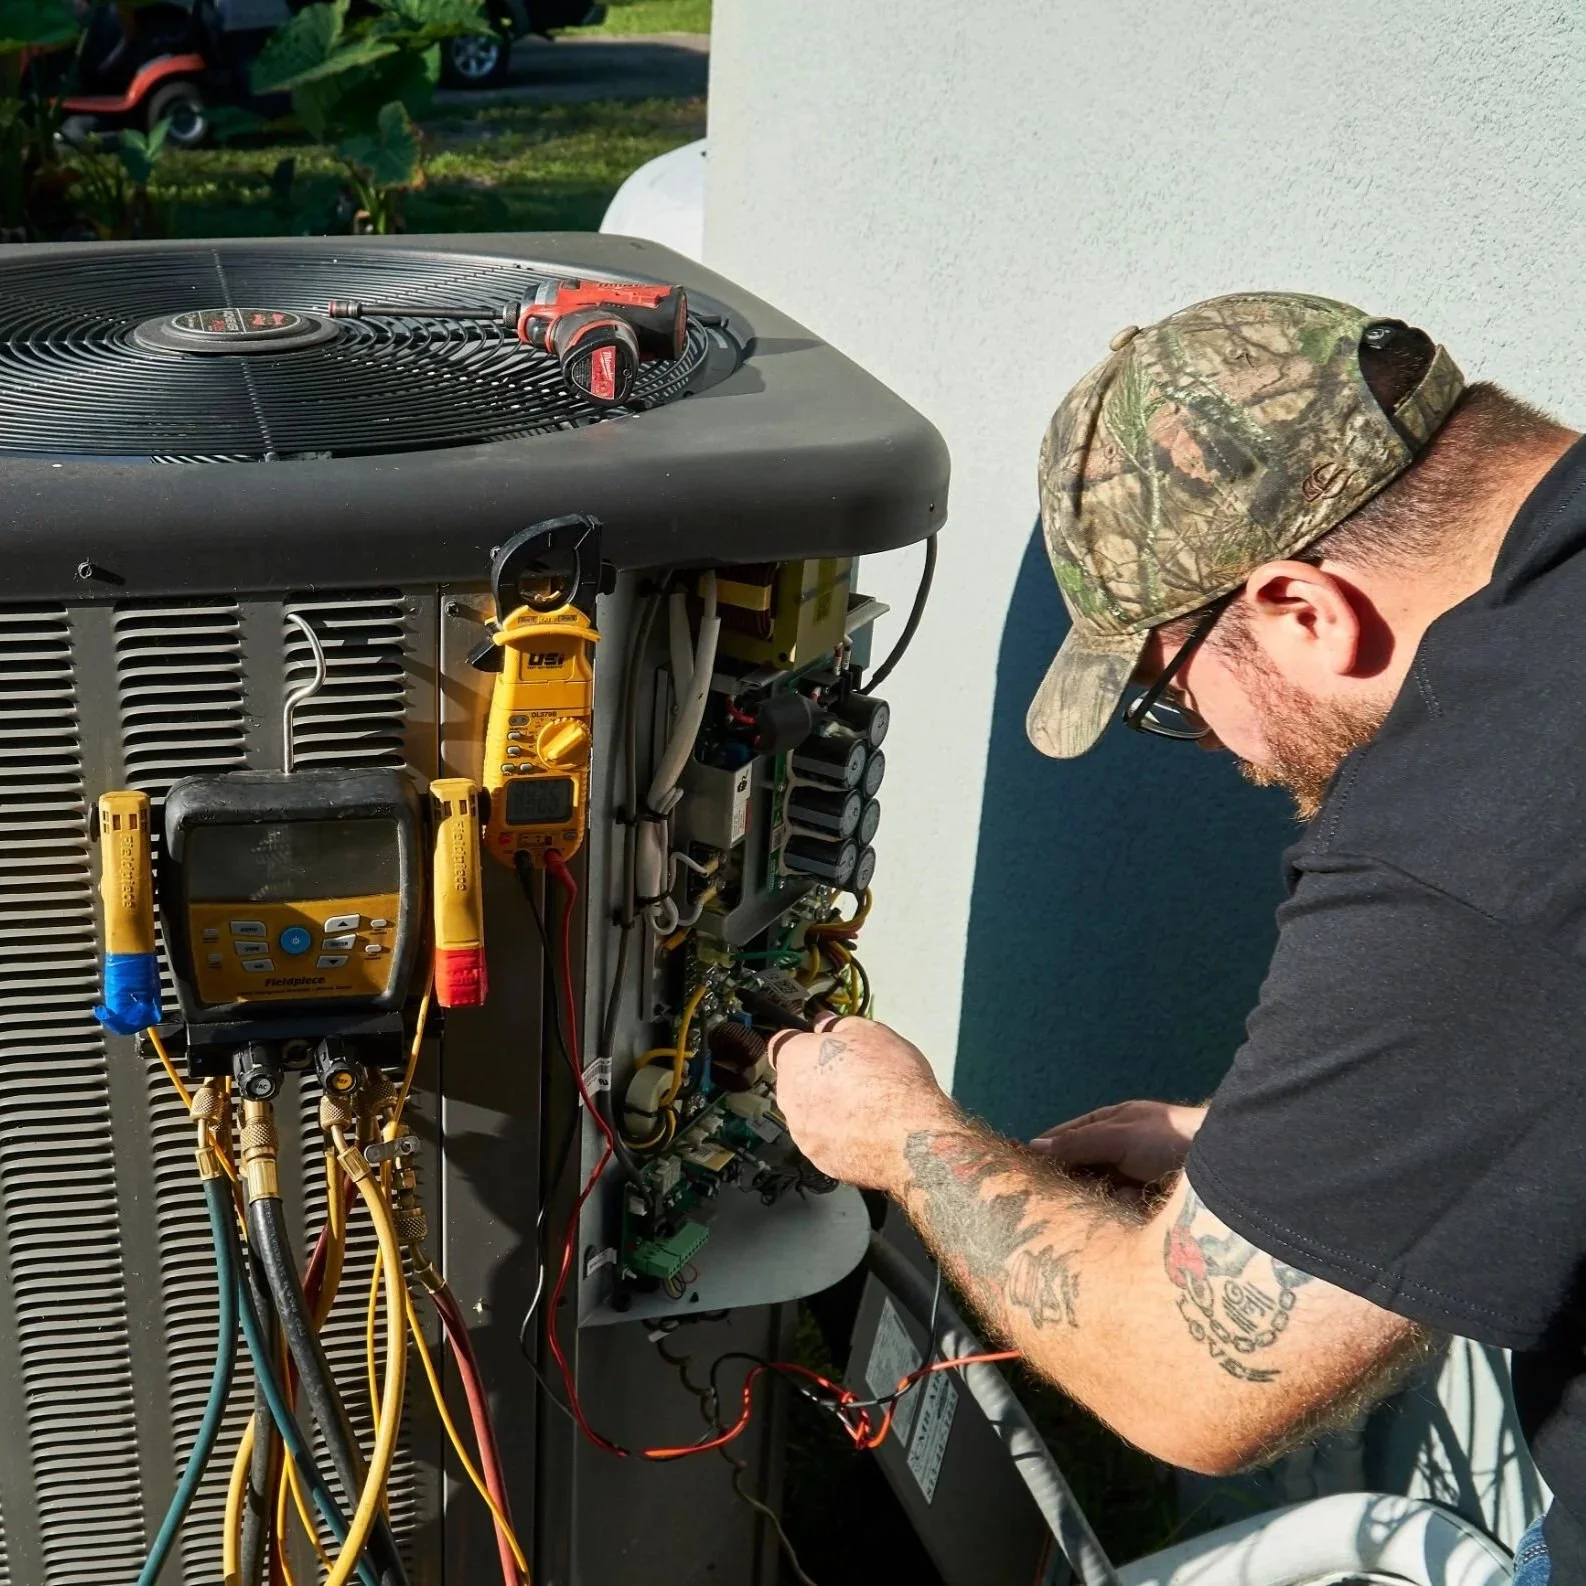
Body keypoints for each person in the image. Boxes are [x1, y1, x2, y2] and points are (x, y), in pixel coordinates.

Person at [770, 292, 1586, 1585]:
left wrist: (901, 1136)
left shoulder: (1463, 828)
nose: (1217, 749)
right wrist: (1273, 1154)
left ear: (1303, 607)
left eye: (1169, 698)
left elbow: (1191, 1380)